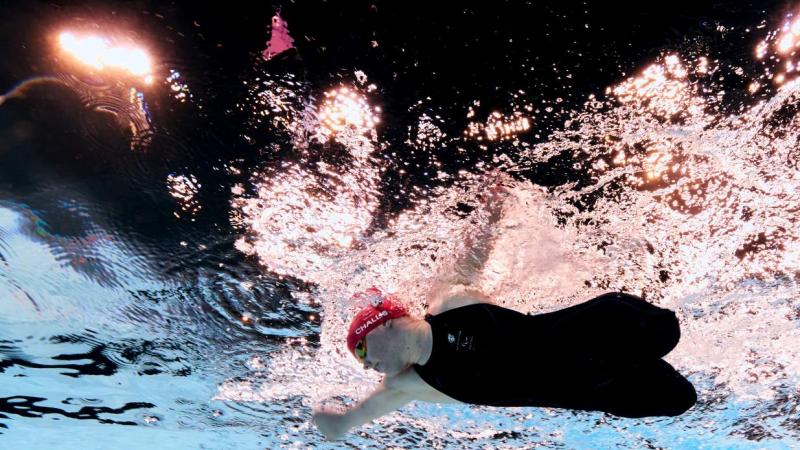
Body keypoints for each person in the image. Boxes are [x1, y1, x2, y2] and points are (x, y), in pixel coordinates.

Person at [311, 183, 697, 440]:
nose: (365, 365)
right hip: (598, 389)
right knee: (682, 399)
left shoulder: (448, 303)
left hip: (598, 330)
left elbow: (472, 254)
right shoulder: (410, 384)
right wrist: (343, 422)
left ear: (385, 324)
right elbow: (363, 413)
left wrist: (494, 207)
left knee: (665, 330)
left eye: (361, 349)